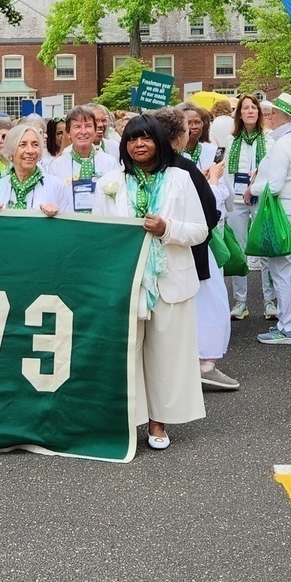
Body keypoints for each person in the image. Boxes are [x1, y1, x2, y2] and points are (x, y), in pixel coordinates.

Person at [93, 114, 209, 449]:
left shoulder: (180, 179)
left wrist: (166, 229)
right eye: (131, 139)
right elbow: (101, 234)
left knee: (166, 354)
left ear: (158, 141)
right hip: (128, 280)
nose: (138, 145)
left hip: (171, 278)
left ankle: (158, 422)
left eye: (145, 138)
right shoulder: (109, 182)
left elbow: (200, 231)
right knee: (127, 352)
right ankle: (130, 419)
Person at [154, 108, 236, 391]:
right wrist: (212, 180)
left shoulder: (160, 165)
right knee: (209, 302)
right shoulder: (182, 166)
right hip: (191, 247)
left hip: (161, 247)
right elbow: (207, 215)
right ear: (180, 135)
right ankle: (205, 365)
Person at [253, 93, 291, 344]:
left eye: (274, 114)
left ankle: (287, 327)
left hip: (283, 213)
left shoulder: (283, 144)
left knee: (281, 272)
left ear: (286, 117)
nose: (269, 118)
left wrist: (252, 189)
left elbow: (275, 186)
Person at [224, 94, 276, 320]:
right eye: (245, 108)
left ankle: (269, 301)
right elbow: (225, 170)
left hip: (261, 198)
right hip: (236, 200)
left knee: (264, 250)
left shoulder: (269, 138)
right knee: (240, 250)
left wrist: (259, 178)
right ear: (240, 113)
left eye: (253, 107)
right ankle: (240, 301)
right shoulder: (231, 139)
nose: (250, 111)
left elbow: (274, 166)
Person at [0, 124, 71, 213]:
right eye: (23, 144)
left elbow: (66, 225)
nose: (30, 151)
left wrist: (56, 216)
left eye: (35, 145)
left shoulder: (56, 186)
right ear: (11, 151)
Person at [47, 106, 119, 213]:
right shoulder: (57, 166)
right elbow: (52, 200)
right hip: (69, 226)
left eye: (88, 126)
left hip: (101, 226)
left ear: (95, 131)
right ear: (68, 132)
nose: (83, 132)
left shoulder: (110, 163)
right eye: (77, 127)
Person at [178, 103, 217, 169]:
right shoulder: (173, 153)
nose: (194, 126)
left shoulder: (213, 151)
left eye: (197, 122)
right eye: (189, 123)